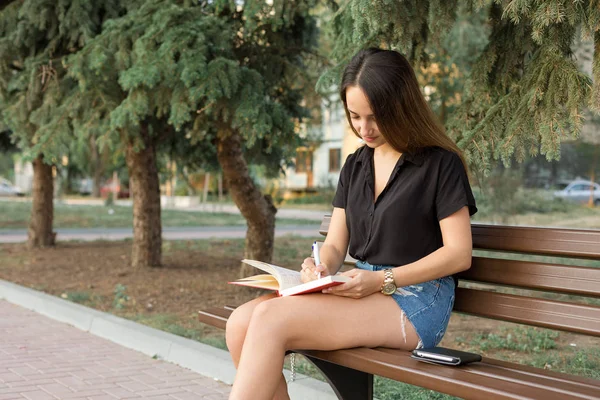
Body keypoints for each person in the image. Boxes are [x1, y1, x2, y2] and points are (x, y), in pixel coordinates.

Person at [225, 48, 478, 400]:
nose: (364, 128)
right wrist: (321, 266)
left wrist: (381, 279)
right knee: (240, 322)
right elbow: (334, 244)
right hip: (360, 288)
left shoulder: (440, 165)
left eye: (374, 117)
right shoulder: (355, 164)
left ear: (401, 107)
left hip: (415, 300)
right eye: (354, 116)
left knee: (270, 320)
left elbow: (458, 253)